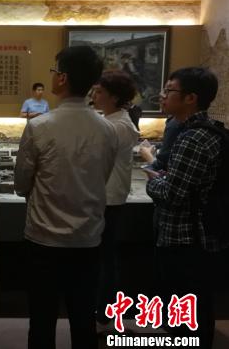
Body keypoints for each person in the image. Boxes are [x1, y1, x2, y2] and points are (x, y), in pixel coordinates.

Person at [14, 46, 117, 349]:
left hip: (43, 240)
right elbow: (103, 178)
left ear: (62, 78)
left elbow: (21, 184)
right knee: (83, 320)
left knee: (42, 321)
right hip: (88, 240)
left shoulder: (39, 126)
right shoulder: (108, 129)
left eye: (54, 71)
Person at [145, 67, 226, 349]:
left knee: (186, 309)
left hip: (186, 238)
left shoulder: (192, 138)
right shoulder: (209, 131)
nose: (163, 95)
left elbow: (173, 194)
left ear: (191, 98)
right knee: (196, 305)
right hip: (201, 235)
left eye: (169, 90)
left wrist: (153, 181)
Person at [90, 71, 140, 330]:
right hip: (106, 195)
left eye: (99, 91)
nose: (94, 95)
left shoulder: (118, 125)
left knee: (105, 258)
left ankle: (104, 312)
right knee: (103, 256)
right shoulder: (111, 120)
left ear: (114, 97)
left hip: (109, 197)